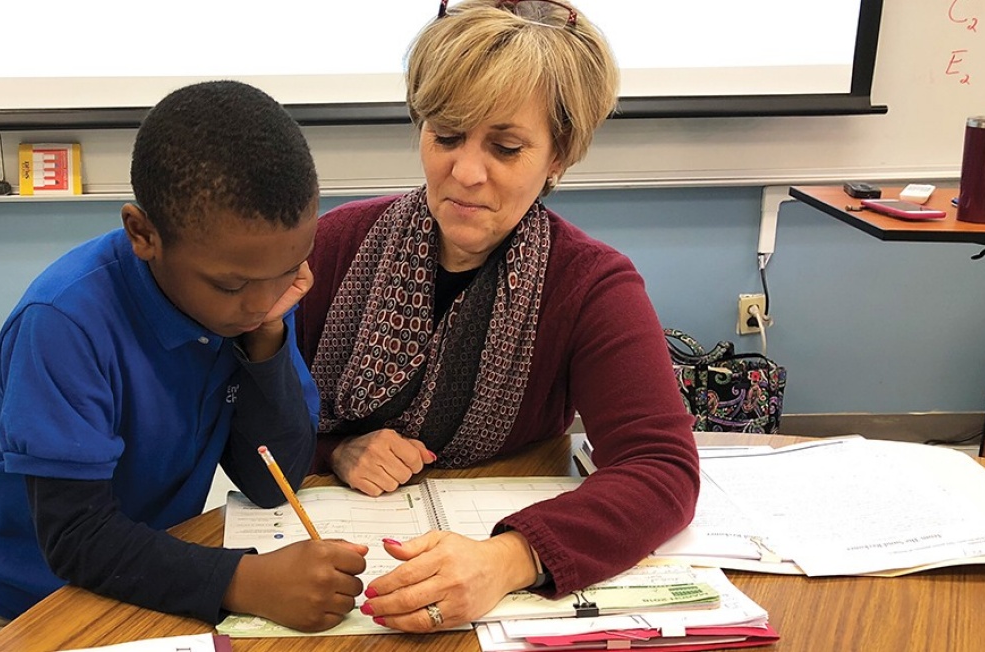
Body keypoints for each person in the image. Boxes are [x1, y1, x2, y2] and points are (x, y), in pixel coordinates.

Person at [296, 0, 699, 633]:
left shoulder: (591, 285)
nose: (465, 173)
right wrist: (335, 447)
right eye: (445, 136)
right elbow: (246, 412)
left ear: (558, 156)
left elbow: (661, 469)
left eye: (506, 148)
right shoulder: (332, 246)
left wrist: (510, 559)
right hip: (336, 567)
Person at [0, 81, 367, 651]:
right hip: (22, 596)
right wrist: (243, 581)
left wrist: (266, 341)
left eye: (290, 270)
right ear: (143, 234)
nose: (263, 302)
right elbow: (74, 536)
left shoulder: (245, 307)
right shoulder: (63, 321)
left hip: (139, 568)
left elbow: (272, 481)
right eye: (232, 285)